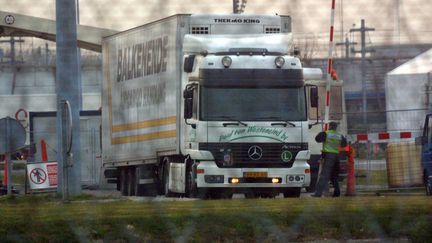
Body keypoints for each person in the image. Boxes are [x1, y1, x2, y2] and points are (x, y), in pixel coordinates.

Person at [312, 122, 347, 197]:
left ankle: (318, 193)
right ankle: (337, 193)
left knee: (323, 176)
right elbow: (344, 144)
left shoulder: (326, 134)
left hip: (328, 157)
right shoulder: (339, 135)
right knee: (334, 176)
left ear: (330, 126)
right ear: (336, 127)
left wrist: (322, 132)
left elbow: (317, 139)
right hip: (337, 158)